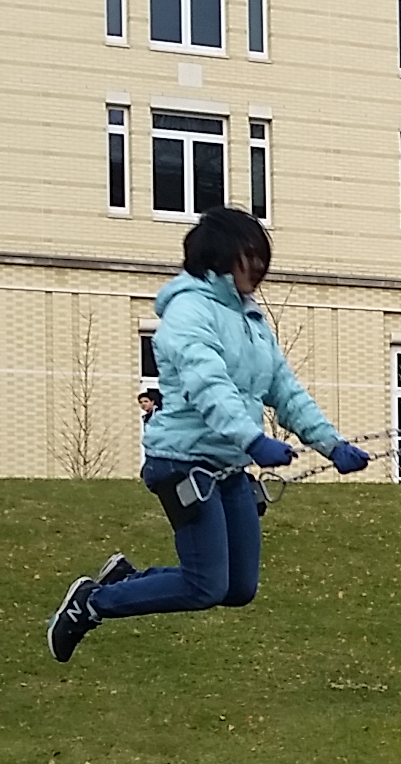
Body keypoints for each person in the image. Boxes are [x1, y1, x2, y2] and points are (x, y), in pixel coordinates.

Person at [47, 208, 369, 661]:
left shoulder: (251, 320)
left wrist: (331, 444)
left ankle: (123, 578)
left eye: (263, 258)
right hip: (182, 464)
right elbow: (208, 386)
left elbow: (285, 390)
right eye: (249, 256)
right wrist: (252, 440)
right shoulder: (188, 311)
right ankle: (90, 605)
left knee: (239, 588)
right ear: (219, 255)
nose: (258, 268)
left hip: (229, 466)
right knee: (204, 585)